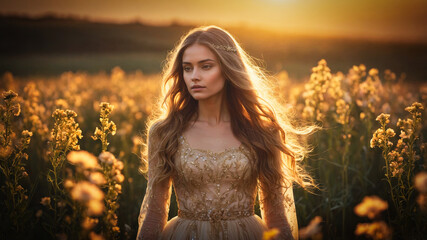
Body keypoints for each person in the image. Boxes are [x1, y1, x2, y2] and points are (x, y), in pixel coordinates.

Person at [136, 25, 317, 240]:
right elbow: (155, 214)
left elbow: (276, 217)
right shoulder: (165, 132)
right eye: (187, 68)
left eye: (206, 66)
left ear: (228, 68)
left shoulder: (262, 131)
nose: (194, 76)